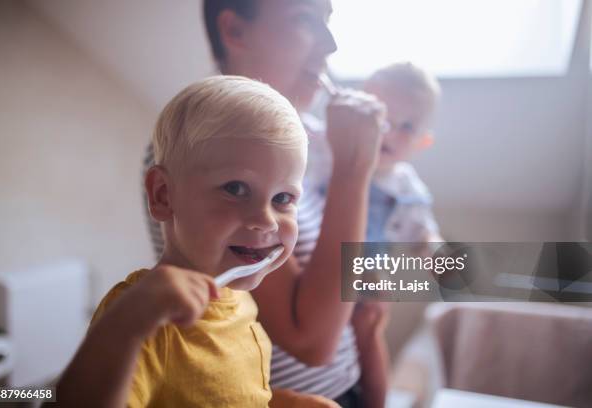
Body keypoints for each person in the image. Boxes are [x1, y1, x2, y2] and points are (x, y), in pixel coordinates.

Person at [144, 1, 389, 406]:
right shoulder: (190, 147)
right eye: (306, 20)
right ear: (235, 32)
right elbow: (311, 341)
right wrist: (354, 169)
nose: (331, 45)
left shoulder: (309, 139)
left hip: (349, 382)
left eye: (283, 199)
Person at [55, 76, 339, 407]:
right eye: (235, 189)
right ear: (163, 194)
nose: (266, 220)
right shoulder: (143, 316)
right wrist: (127, 325)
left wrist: (283, 403)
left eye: (283, 197)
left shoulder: (239, 299)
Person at [363, 62, 443, 247]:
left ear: (423, 142)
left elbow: (423, 235)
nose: (389, 133)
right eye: (379, 116)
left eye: (407, 126)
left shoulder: (405, 185)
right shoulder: (329, 145)